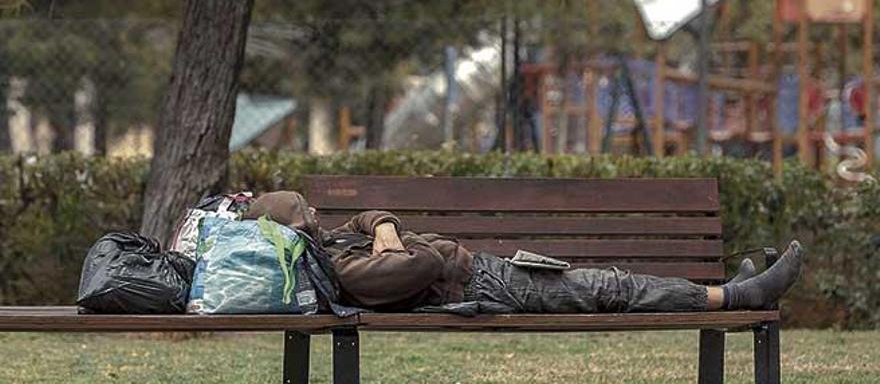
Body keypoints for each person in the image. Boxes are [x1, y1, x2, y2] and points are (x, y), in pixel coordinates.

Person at [243, 191, 804, 314]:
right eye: (306, 211)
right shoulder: (338, 265)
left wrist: (385, 226)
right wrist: (403, 238)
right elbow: (426, 263)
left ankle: (722, 293)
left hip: (487, 271)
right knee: (608, 287)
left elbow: (369, 216)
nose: (317, 211)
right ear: (295, 227)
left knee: (603, 282)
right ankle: (733, 295)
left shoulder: (331, 245)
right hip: (484, 287)